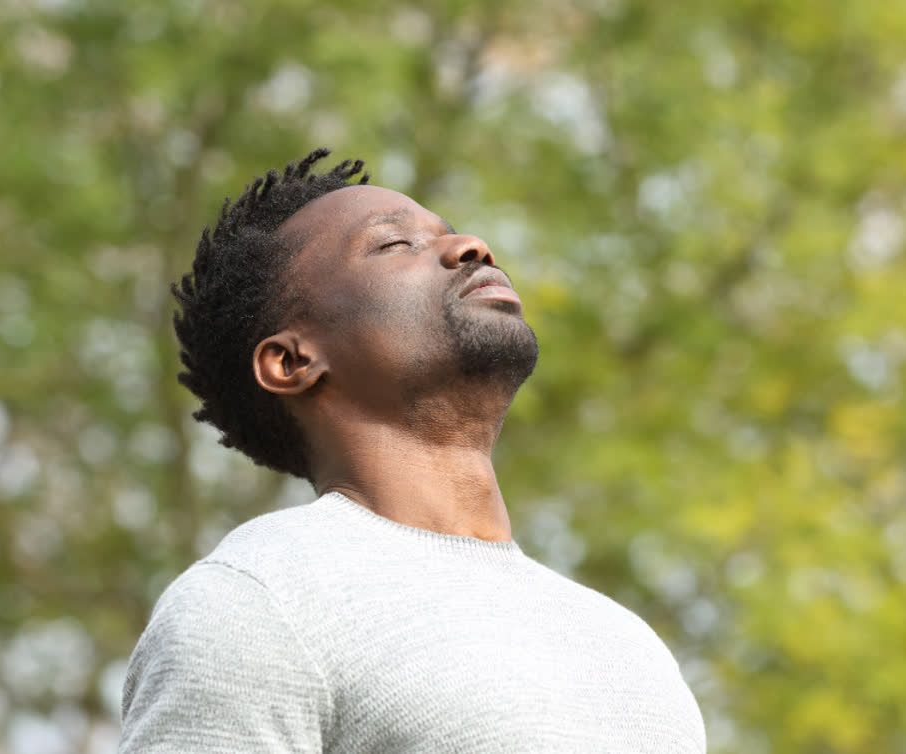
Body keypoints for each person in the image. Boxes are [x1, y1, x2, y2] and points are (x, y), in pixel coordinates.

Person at [117, 148, 707, 753]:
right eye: (394, 245)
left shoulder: (625, 644)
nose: (471, 246)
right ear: (292, 360)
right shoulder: (257, 601)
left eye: (449, 234)